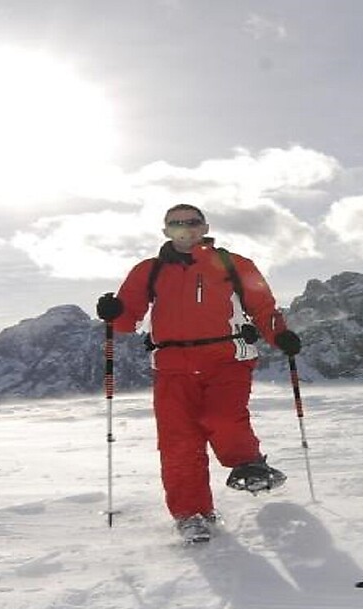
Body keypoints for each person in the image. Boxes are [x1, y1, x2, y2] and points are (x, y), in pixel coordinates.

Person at [96, 204, 303, 542]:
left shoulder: (233, 264)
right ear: (166, 231)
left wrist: (279, 335)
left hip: (227, 357)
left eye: (192, 222)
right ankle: (192, 514)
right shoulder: (148, 271)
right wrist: (113, 310)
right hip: (171, 366)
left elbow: (263, 307)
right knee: (178, 443)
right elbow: (125, 321)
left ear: (205, 227)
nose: (185, 228)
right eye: (176, 223)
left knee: (223, 417)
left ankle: (249, 464)